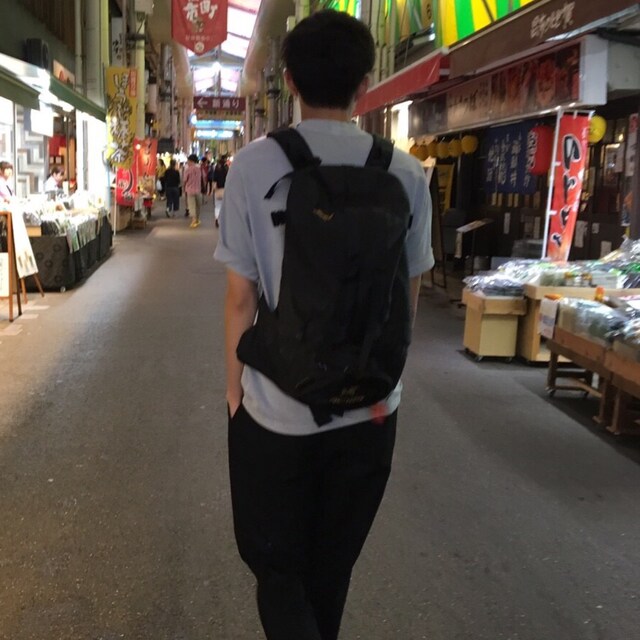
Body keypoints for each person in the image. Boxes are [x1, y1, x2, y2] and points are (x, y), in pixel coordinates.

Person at [214, 10, 433, 640]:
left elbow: (240, 299)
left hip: (278, 410)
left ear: (289, 80)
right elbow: (407, 297)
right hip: (371, 411)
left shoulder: (253, 166)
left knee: (277, 571)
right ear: (365, 84)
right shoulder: (406, 173)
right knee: (331, 572)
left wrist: (234, 395)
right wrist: (384, 381)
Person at [182, 153, 202, 228]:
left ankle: (193, 220)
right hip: (198, 190)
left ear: (191, 161)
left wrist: (183, 188)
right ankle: (197, 219)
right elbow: (202, 178)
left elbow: (185, 180)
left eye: (188, 161)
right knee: (198, 205)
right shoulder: (199, 169)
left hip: (190, 190)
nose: (187, 162)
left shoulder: (188, 170)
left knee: (191, 206)